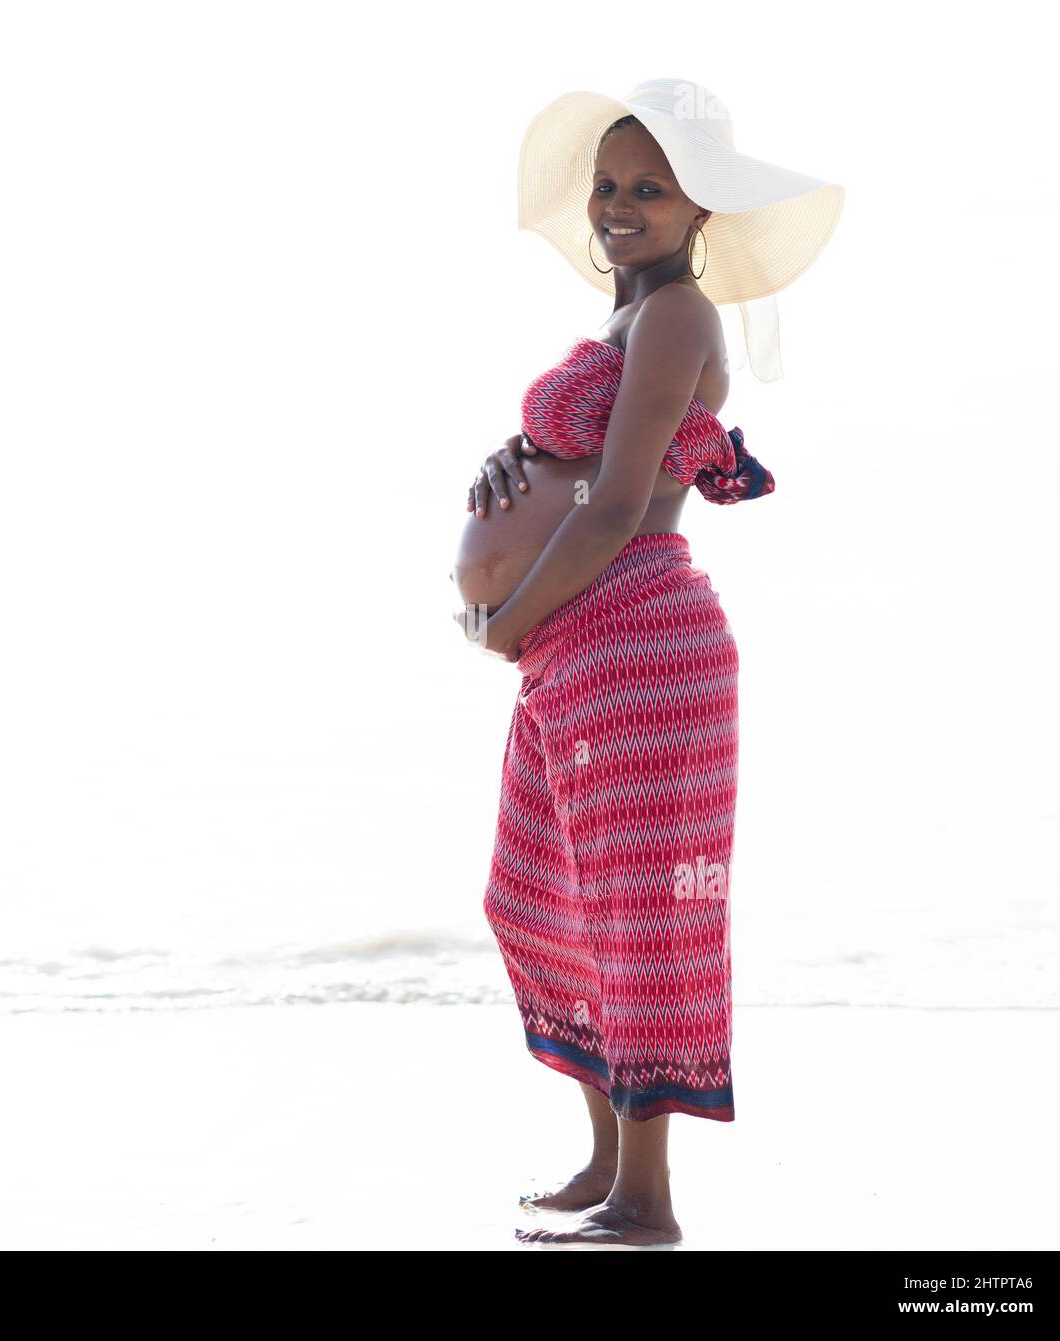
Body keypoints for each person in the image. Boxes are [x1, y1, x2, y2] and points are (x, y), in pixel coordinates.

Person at [453, 77, 844, 1248]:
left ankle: (647, 1202)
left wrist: (507, 613)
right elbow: (591, 459)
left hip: (633, 645)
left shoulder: (677, 315)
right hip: (580, 649)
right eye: (610, 186)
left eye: (649, 190)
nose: (620, 206)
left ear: (696, 211)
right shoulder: (627, 323)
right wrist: (512, 454)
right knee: (531, 899)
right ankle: (605, 1160)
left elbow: (623, 503)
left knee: (631, 920)